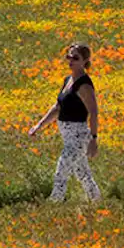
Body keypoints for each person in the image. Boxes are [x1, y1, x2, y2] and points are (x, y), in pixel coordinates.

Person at [28, 43, 102, 202]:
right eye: (69, 56)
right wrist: (39, 126)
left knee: (61, 171)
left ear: (85, 61)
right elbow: (57, 107)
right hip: (68, 137)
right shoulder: (68, 80)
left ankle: (54, 204)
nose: (71, 60)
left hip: (79, 137)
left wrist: (94, 139)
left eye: (75, 58)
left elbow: (94, 112)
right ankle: (98, 202)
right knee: (83, 174)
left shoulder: (84, 84)